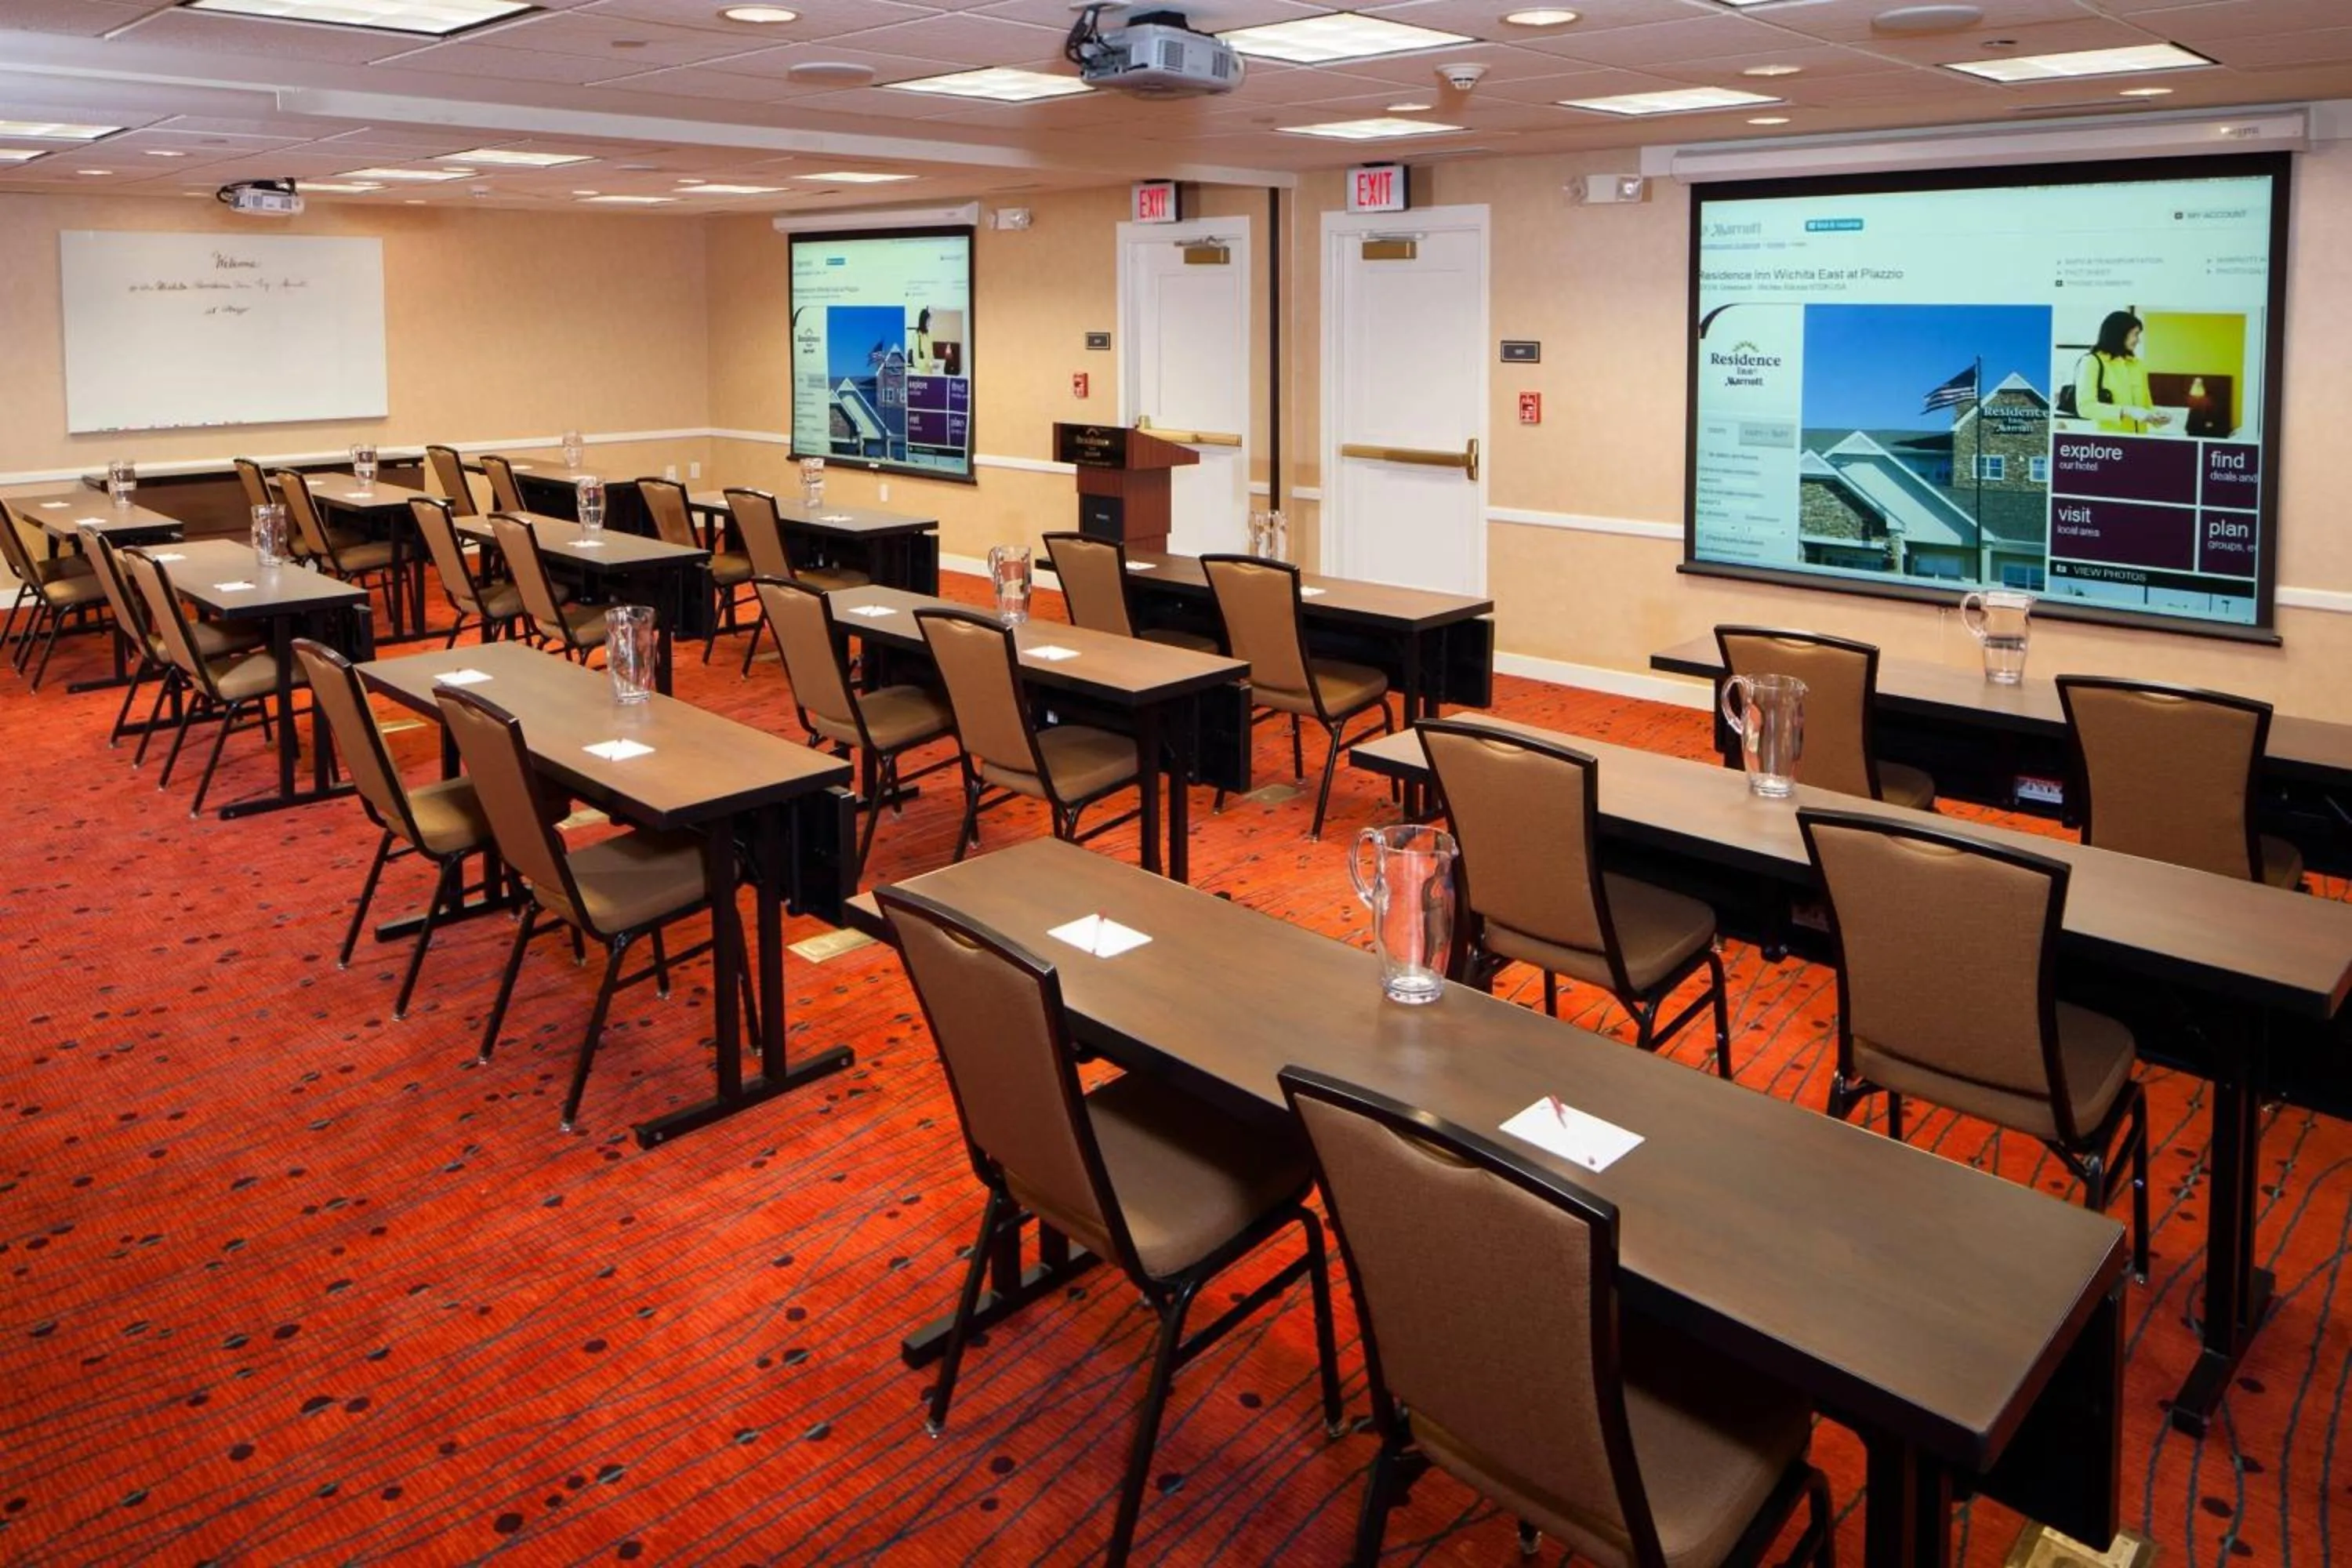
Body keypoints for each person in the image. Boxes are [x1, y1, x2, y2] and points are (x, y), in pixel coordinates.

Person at [2074, 310, 2169, 434]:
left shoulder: (2138, 365)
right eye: (2135, 334)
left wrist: (2157, 416)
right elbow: (2085, 408)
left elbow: (2145, 407)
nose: (2137, 340)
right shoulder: (2092, 362)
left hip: (2139, 442)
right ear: (2120, 334)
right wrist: (2126, 411)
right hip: (2109, 445)